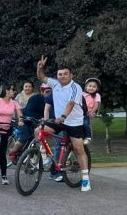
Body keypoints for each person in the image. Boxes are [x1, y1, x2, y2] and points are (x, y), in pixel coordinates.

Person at [37, 56, 91, 191]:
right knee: (39, 131)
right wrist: (40, 68)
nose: (62, 76)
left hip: (74, 122)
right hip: (59, 121)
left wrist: (63, 116)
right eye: (60, 74)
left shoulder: (75, 87)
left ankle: (85, 179)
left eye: (65, 74)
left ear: (71, 75)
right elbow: (41, 77)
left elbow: (71, 104)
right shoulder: (55, 84)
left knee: (78, 149)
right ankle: (45, 158)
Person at [8, 82, 53, 162]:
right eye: (47, 92)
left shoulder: (51, 100)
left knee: (40, 137)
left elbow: (52, 112)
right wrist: (41, 118)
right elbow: (29, 111)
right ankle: (13, 152)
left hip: (39, 123)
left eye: (50, 92)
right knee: (24, 137)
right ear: (41, 91)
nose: (49, 94)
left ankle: (35, 156)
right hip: (27, 121)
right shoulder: (35, 98)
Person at [83, 77, 101, 144]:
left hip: (89, 112)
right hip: (80, 111)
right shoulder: (82, 94)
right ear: (86, 87)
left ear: (97, 88)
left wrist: (92, 112)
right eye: (90, 86)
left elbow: (96, 105)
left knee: (85, 123)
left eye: (94, 87)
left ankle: (88, 137)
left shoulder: (97, 95)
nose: (91, 88)